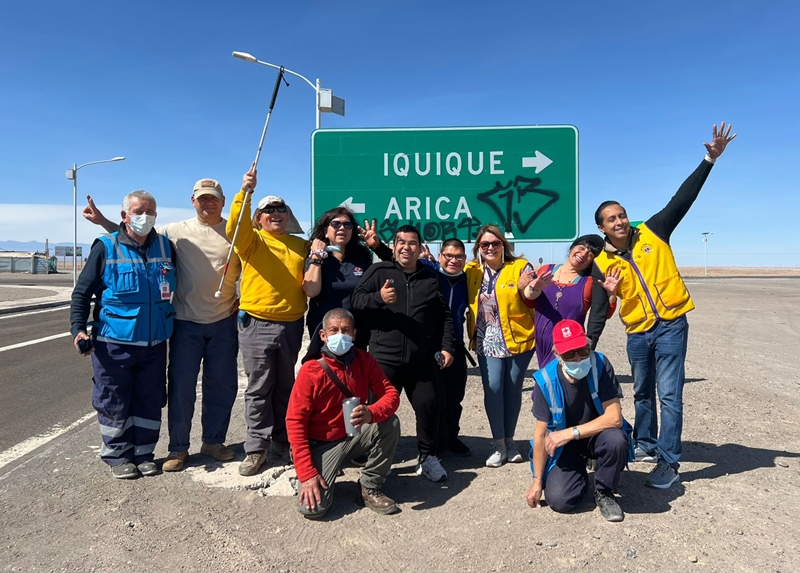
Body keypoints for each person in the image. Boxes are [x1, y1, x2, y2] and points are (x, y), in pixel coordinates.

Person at [593, 122, 737, 489]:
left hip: (671, 325)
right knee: (642, 391)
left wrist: (709, 159)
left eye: (622, 214)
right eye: (612, 219)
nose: (620, 220)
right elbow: (600, 305)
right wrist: (606, 299)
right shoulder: (603, 263)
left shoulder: (655, 230)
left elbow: (682, 199)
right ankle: (645, 444)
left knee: (669, 395)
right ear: (603, 229)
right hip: (637, 332)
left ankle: (670, 464)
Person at [83, 179, 240, 472]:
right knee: (181, 390)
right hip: (184, 324)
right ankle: (178, 449)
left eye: (214, 198)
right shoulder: (173, 233)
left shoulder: (237, 232)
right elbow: (133, 239)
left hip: (222, 323)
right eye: (202, 199)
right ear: (193, 201)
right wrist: (104, 221)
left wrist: (243, 301)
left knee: (222, 387)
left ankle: (214, 441)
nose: (208, 203)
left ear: (223, 201)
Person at [70, 190, 176, 479]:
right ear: (125, 215)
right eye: (140, 211)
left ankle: (144, 453)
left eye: (151, 211)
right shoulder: (106, 247)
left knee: (149, 399)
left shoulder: (166, 246)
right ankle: (117, 455)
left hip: (154, 343)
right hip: (114, 344)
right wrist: (78, 330)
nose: (146, 217)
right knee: (114, 399)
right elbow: (82, 293)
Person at [351, 225, 456, 482]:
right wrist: (378, 297)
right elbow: (356, 300)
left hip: (421, 360)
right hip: (384, 359)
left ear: (420, 248)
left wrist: (447, 347)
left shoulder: (430, 279)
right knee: (378, 410)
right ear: (394, 245)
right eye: (401, 242)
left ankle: (428, 457)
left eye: (412, 243)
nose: (406, 247)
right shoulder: (379, 271)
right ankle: (377, 460)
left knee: (429, 406)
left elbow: (445, 318)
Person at [229, 164, 308, 476]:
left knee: (285, 386)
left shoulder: (300, 244)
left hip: (291, 325)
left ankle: (282, 439)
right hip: (257, 324)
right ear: (259, 218)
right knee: (259, 387)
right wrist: (245, 193)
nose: (276, 213)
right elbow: (235, 223)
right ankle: (256, 448)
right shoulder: (252, 241)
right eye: (269, 210)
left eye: (281, 209)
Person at [286, 308, 401, 519]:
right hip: (320, 445)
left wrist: (371, 412)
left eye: (346, 330)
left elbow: (391, 394)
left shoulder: (364, 360)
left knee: (389, 423)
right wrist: (307, 473)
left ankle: (369, 486)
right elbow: (295, 422)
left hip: (350, 437)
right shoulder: (311, 371)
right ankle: (312, 473)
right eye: (334, 330)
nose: (340, 335)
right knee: (313, 510)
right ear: (323, 335)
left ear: (354, 334)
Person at [526, 319, 631, 522]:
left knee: (616, 440)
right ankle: (579, 473)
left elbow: (614, 417)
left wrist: (571, 432)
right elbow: (540, 434)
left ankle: (604, 491)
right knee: (560, 501)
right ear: (557, 355)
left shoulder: (600, 364)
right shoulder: (545, 381)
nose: (577, 358)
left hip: (596, 436)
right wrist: (537, 481)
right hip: (565, 448)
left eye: (582, 351)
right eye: (569, 354)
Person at [465, 224, 535, 468]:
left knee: (513, 390)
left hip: (517, 339)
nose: (491, 248)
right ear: (478, 248)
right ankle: (498, 444)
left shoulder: (520, 267)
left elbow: (530, 294)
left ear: (504, 246)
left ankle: (511, 441)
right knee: (493, 389)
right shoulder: (471, 271)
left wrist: (531, 287)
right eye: (485, 244)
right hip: (486, 340)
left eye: (495, 243)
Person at [301, 211, 391, 362]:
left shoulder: (361, 257)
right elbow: (311, 291)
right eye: (336, 224)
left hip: (356, 329)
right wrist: (317, 257)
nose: (342, 228)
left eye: (347, 224)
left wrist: (377, 246)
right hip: (324, 328)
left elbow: (396, 265)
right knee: (327, 376)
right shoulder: (315, 256)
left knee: (354, 377)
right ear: (325, 231)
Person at [521, 234, 615, 368]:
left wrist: (611, 294)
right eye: (581, 247)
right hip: (542, 342)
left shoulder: (588, 282)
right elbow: (530, 302)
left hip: (569, 344)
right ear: (572, 247)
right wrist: (531, 287)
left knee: (556, 382)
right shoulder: (545, 270)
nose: (583, 254)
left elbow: (603, 314)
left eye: (590, 254)